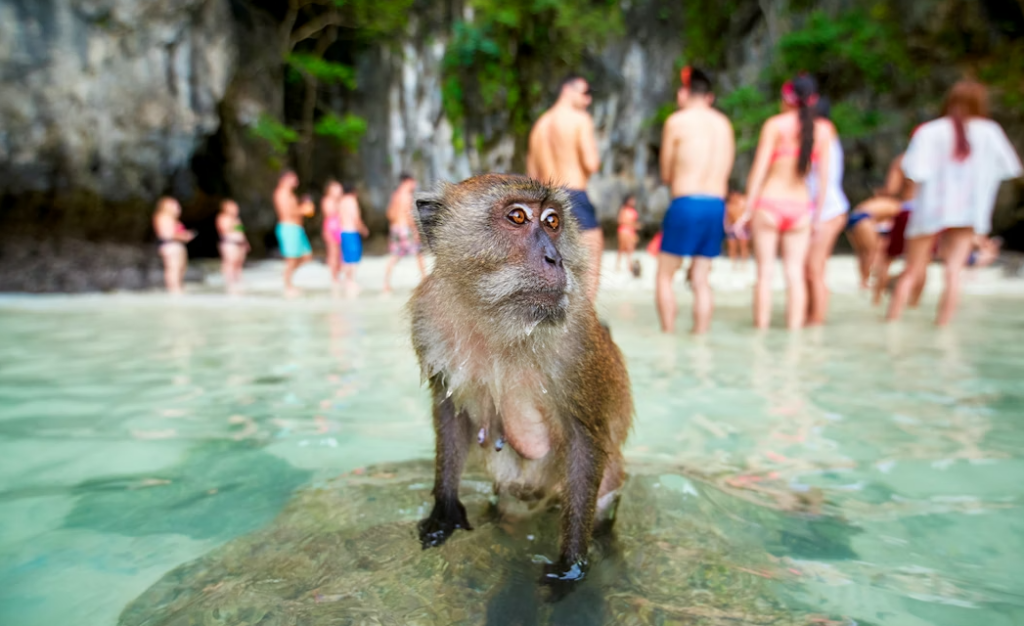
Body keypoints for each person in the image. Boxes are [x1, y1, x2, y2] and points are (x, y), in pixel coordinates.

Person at [887, 80, 1022, 325]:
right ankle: (942, 327)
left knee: (912, 270)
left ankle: (892, 323)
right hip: (969, 211)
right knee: (953, 273)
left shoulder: (930, 131)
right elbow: (1011, 168)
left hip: (931, 209)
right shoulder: (990, 132)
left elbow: (913, 171)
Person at [737, 76, 831, 330]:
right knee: (795, 275)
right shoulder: (823, 130)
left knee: (764, 275)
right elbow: (823, 180)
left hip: (769, 203)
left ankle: (761, 332)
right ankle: (795, 336)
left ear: (787, 99)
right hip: (801, 208)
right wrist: (817, 217)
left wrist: (747, 210)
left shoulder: (775, 125)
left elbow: (759, 170)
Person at [656, 67, 735, 335]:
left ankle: (667, 336)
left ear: (684, 93)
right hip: (716, 205)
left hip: (686, 202)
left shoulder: (677, 122)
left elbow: (666, 174)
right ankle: (700, 337)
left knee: (664, 276)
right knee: (701, 279)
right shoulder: (724, 124)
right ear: (709, 97)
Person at [527, 74, 603, 300]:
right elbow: (591, 163)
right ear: (568, 90)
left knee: (555, 266)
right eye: (585, 93)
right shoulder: (580, 119)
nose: (588, 100)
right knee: (590, 263)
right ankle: (586, 317)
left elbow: (532, 176)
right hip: (574, 196)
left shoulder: (539, 125)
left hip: (546, 201)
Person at [804, 97, 849, 325]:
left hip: (826, 210)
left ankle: (816, 322)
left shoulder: (823, 132)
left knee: (814, 269)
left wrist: (817, 217)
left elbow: (823, 181)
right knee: (809, 269)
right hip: (825, 208)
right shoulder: (824, 133)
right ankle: (809, 318)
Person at [382, 174, 426, 293]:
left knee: (395, 255)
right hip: (405, 228)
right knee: (418, 253)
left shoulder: (395, 195)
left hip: (395, 227)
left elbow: (389, 213)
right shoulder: (407, 196)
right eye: (413, 182)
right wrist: (415, 231)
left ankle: (386, 284)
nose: (414, 185)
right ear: (408, 181)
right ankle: (425, 281)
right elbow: (409, 216)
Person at [274, 171, 314, 298]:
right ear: (284, 179)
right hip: (288, 228)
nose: (296, 181)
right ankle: (288, 286)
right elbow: (287, 212)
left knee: (307, 256)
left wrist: (303, 207)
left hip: (297, 229)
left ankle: (287, 277)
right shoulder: (281, 193)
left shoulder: (290, 194)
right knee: (291, 259)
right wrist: (303, 209)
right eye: (293, 178)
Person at [153, 197, 195, 294]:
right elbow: (167, 234)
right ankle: (174, 289)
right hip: (170, 245)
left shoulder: (173, 219)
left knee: (180, 268)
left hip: (178, 245)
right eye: (174, 205)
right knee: (173, 268)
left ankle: (178, 287)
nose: (178, 207)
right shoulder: (163, 217)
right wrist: (184, 236)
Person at [338, 181, 369, 294]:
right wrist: (363, 229)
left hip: (343, 231)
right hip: (351, 232)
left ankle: (346, 281)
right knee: (353, 259)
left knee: (346, 258)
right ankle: (351, 282)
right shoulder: (351, 201)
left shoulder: (341, 201)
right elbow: (356, 218)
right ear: (353, 191)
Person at [216, 199, 249, 293]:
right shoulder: (222, 217)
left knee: (239, 263)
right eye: (233, 207)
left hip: (240, 243)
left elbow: (241, 231)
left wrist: (246, 242)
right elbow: (224, 229)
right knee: (230, 262)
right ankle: (229, 283)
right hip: (229, 243)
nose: (236, 209)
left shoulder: (237, 219)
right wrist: (234, 222)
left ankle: (238, 281)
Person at [321, 180, 344, 284]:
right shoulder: (327, 200)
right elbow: (330, 213)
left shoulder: (340, 201)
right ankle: (333, 277)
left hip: (340, 228)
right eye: (336, 189)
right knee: (332, 253)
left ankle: (337, 274)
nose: (339, 191)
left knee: (340, 254)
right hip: (330, 229)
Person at [724, 191, 750, 268]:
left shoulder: (743, 204)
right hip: (732, 228)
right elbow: (726, 218)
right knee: (732, 247)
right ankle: (734, 263)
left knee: (743, 247)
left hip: (742, 228)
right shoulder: (729, 206)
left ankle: (743, 263)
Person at [616, 195, 640, 272]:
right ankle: (618, 264)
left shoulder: (634, 211)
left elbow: (634, 222)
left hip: (632, 231)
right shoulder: (623, 209)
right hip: (624, 230)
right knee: (622, 248)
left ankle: (629, 265)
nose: (633, 202)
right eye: (632, 200)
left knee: (631, 249)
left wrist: (636, 225)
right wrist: (632, 224)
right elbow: (620, 221)